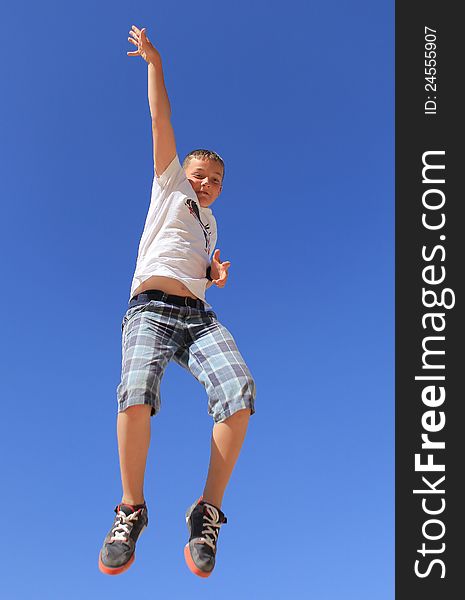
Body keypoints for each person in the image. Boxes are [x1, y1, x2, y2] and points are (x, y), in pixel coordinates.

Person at [98, 25, 256, 579]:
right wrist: (153, 63)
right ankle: (131, 509)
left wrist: (212, 273)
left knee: (238, 391)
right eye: (200, 175)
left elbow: (197, 265)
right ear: (182, 173)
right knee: (137, 389)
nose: (206, 184)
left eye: (215, 180)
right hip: (149, 309)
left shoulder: (209, 223)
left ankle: (206, 511)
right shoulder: (171, 187)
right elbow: (160, 120)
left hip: (197, 316)